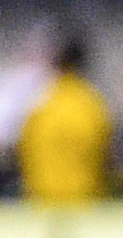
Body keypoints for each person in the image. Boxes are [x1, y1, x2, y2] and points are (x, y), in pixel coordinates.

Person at [16, 38, 113, 204]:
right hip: (83, 199)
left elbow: (23, 149)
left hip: (41, 198)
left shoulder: (41, 103)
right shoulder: (92, 105)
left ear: (57, 66)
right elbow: (105, 154)